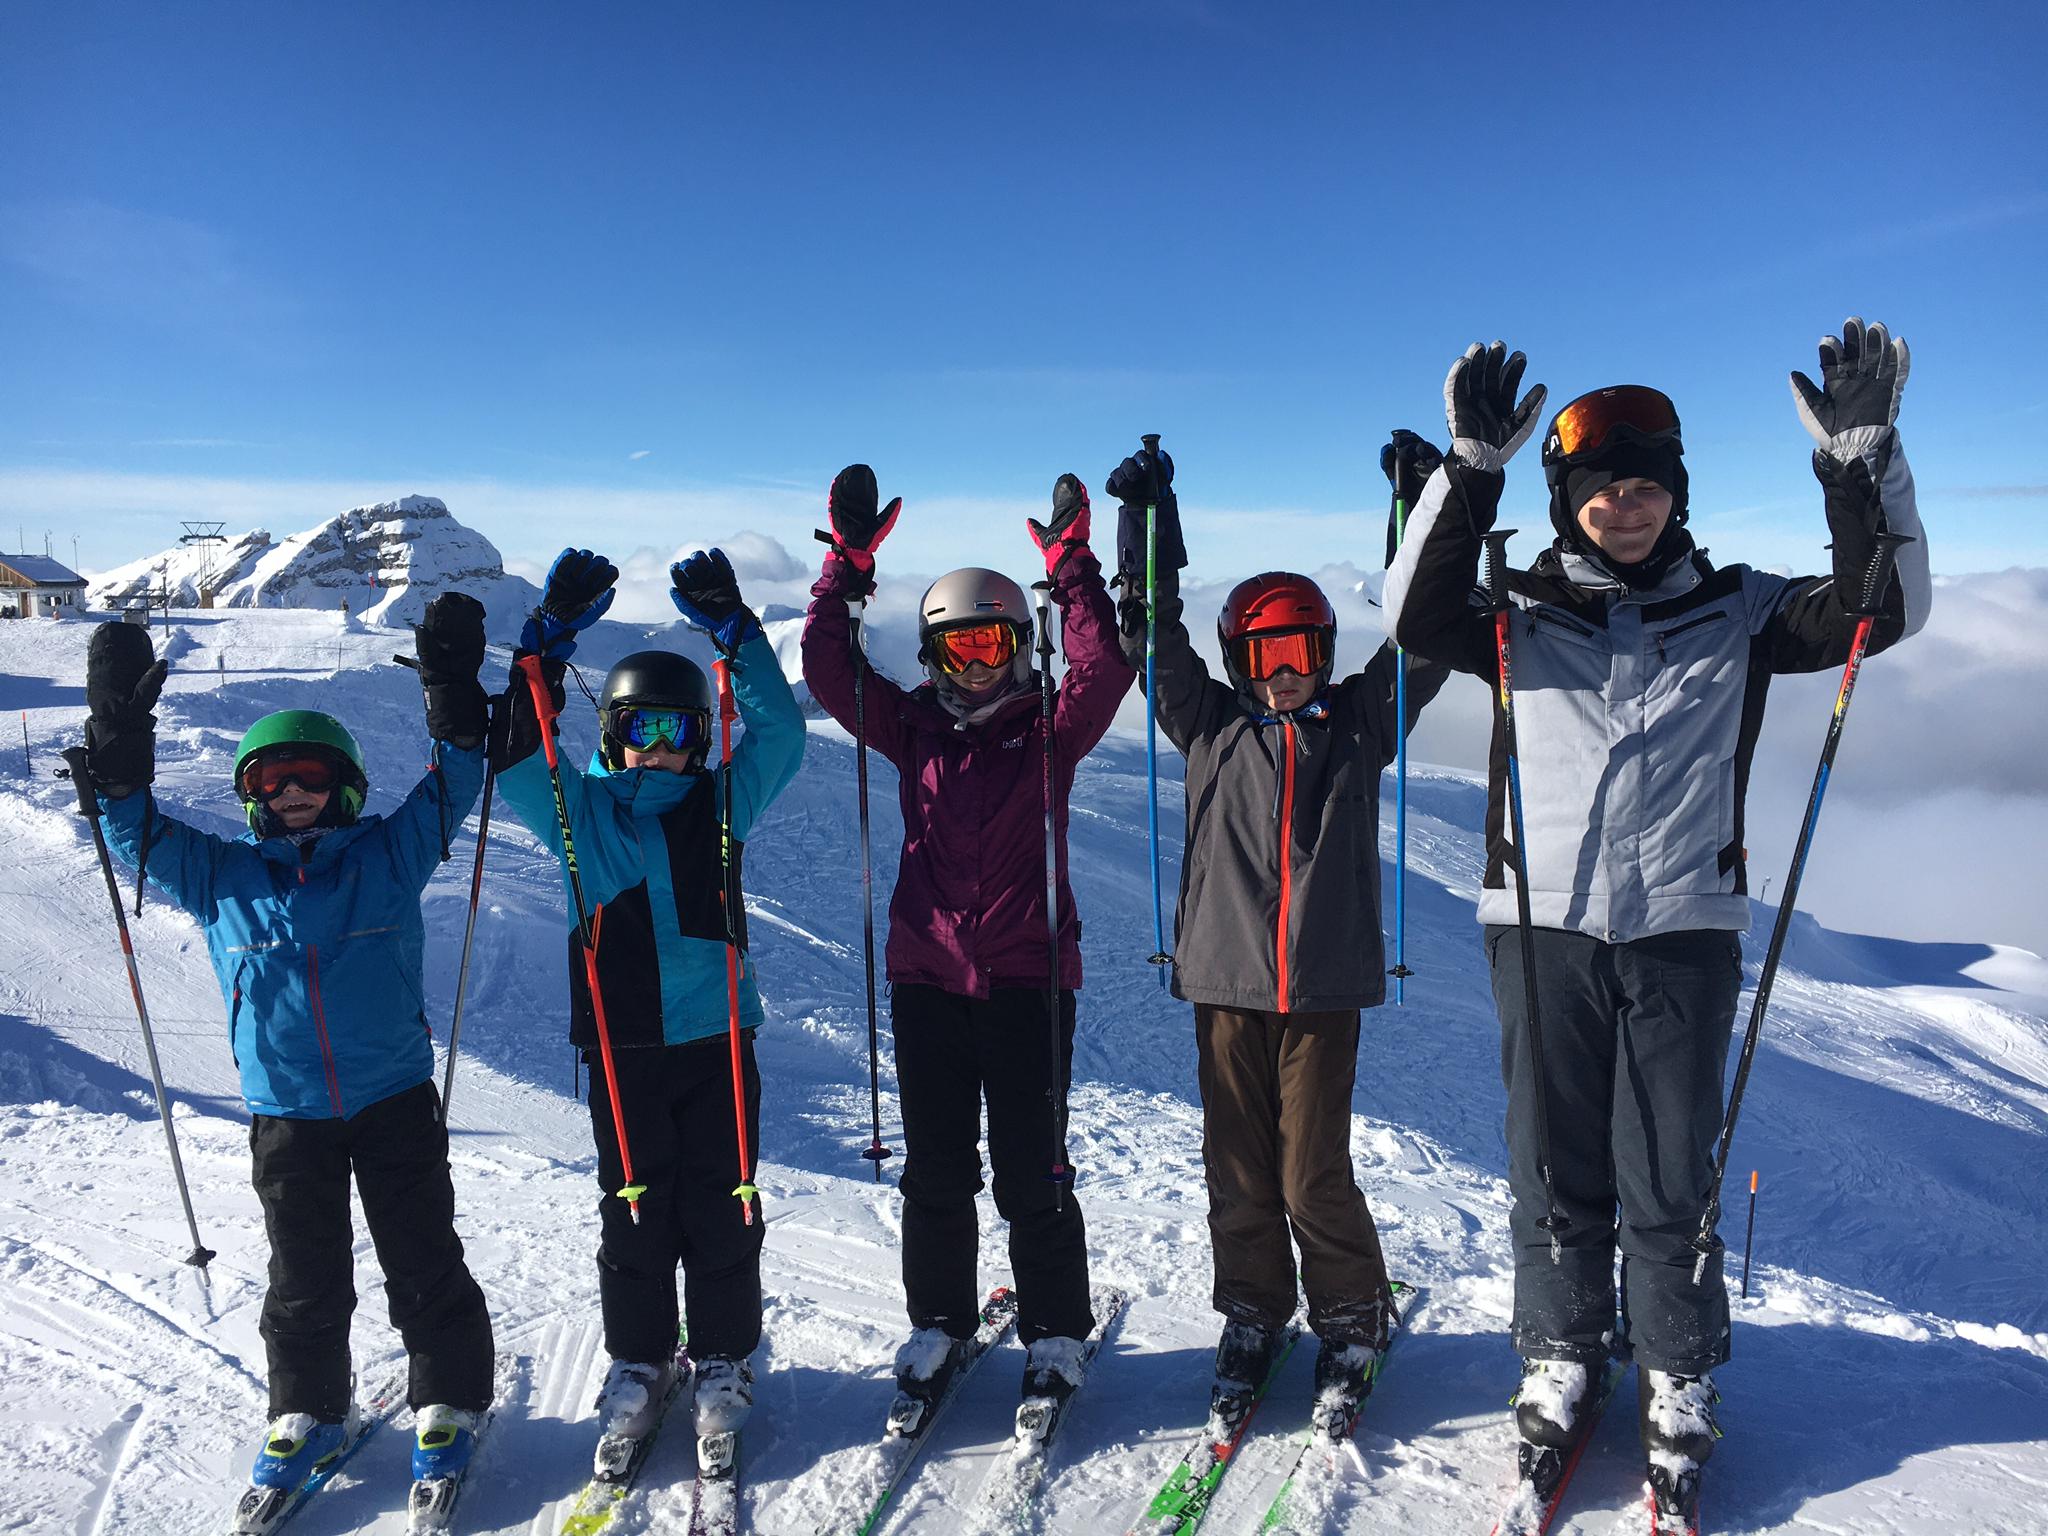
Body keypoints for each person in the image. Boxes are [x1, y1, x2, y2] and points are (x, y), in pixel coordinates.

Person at [1383, 320, 1927, 1519]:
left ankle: (1675, 1368)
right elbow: (1407, 617)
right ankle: (1560, 1350)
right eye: (1598, 489)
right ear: (1563, 501)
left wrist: (1860, 466)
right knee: (1550, 1161)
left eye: (1642, 487)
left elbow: (1877, 611)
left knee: (1668, 1165)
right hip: (1540, 924)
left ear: (1674, 495)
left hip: (1683, 925)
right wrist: (1465, 474)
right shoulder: (1512, 613)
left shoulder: (1738, 611)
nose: (1621, 506)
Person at [81, 596, 497, 1521]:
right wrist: (118, 743)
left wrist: (454, 699)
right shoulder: (221, 874)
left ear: (343, 784)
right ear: (250, 795)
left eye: (310, 775)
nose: (292, 793)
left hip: (393, 1097)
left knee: (422, 1255)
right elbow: (131, 830)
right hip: (286, 1111)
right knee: (303, 1275)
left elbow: (455, 783)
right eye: (271, 780)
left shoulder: (389, 855)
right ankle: (307, 1408)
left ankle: (450, 1398)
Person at [1105, 444, 1447, 1436]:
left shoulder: (1360, 725)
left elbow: (1422, 635)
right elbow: (1149, 633)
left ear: (1325, 653)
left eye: (1301, 652)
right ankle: (1252, 1313)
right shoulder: (1209, 725)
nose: (1287, 673)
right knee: (1239, 1169)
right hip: (1225, 984)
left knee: (1308, 1172)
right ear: (1238, 663)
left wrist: (1423, 511)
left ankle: (1350, 1317)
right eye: (1265, 657)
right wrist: (1147, 523)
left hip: (1322, 991)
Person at [800, 465, 1136, 1427]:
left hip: (1030, 979)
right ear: (934, 654)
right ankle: (939, 1322)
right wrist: (845, 568)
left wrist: (1071, 567)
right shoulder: (913, 728)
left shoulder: (1050, 729)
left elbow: (1106, 668)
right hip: (928, 982)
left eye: (993, 643)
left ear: (1021, 644)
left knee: (1035, 1170)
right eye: (959, 647)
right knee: (938, 1169)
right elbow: (829, 672)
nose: (979, 665)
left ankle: (1056, 1330)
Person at [490, 547, 804, 1469]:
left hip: (717, 1041)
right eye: (640, 727)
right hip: (623, 1046)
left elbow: (781, 737)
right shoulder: (579, 812)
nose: (658, 745)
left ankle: (723, 1356)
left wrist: (738, 637)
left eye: (676, 727)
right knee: (634, 1207)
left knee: (724, 1202)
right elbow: (516, 750)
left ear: (700, 737)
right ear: (613, 733)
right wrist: (542, 651)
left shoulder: (720, 804)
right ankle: (639, 1358)